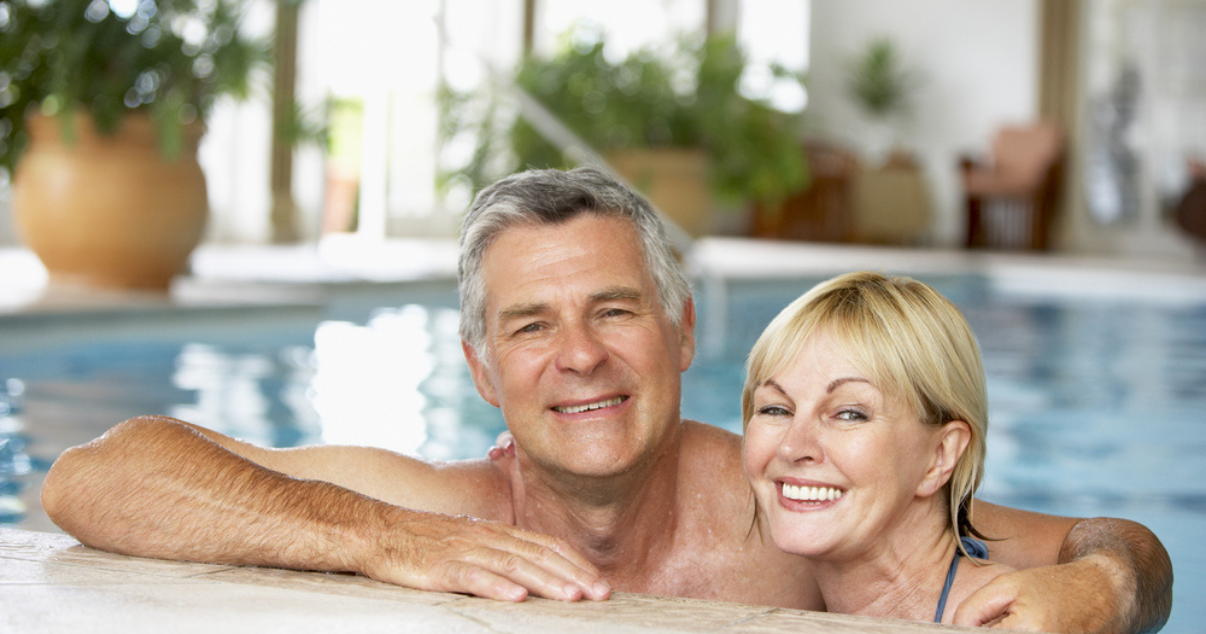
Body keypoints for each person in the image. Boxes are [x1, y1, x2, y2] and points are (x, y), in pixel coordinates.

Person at [41, 167, 1171, 632]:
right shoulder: (446, 514)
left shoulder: (793, 500)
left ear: (682, 332)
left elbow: (1112, 545)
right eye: (532, 325)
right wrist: (383, 540)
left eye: (615, 311)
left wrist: (1101, 583)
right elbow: (98, 472)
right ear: (483, 372)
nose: (578, 356)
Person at [743, 271, 1010, 623]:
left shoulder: (1004, 621)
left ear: (940, 455)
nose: (793, 447)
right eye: (775, 408)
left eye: (850, 414)